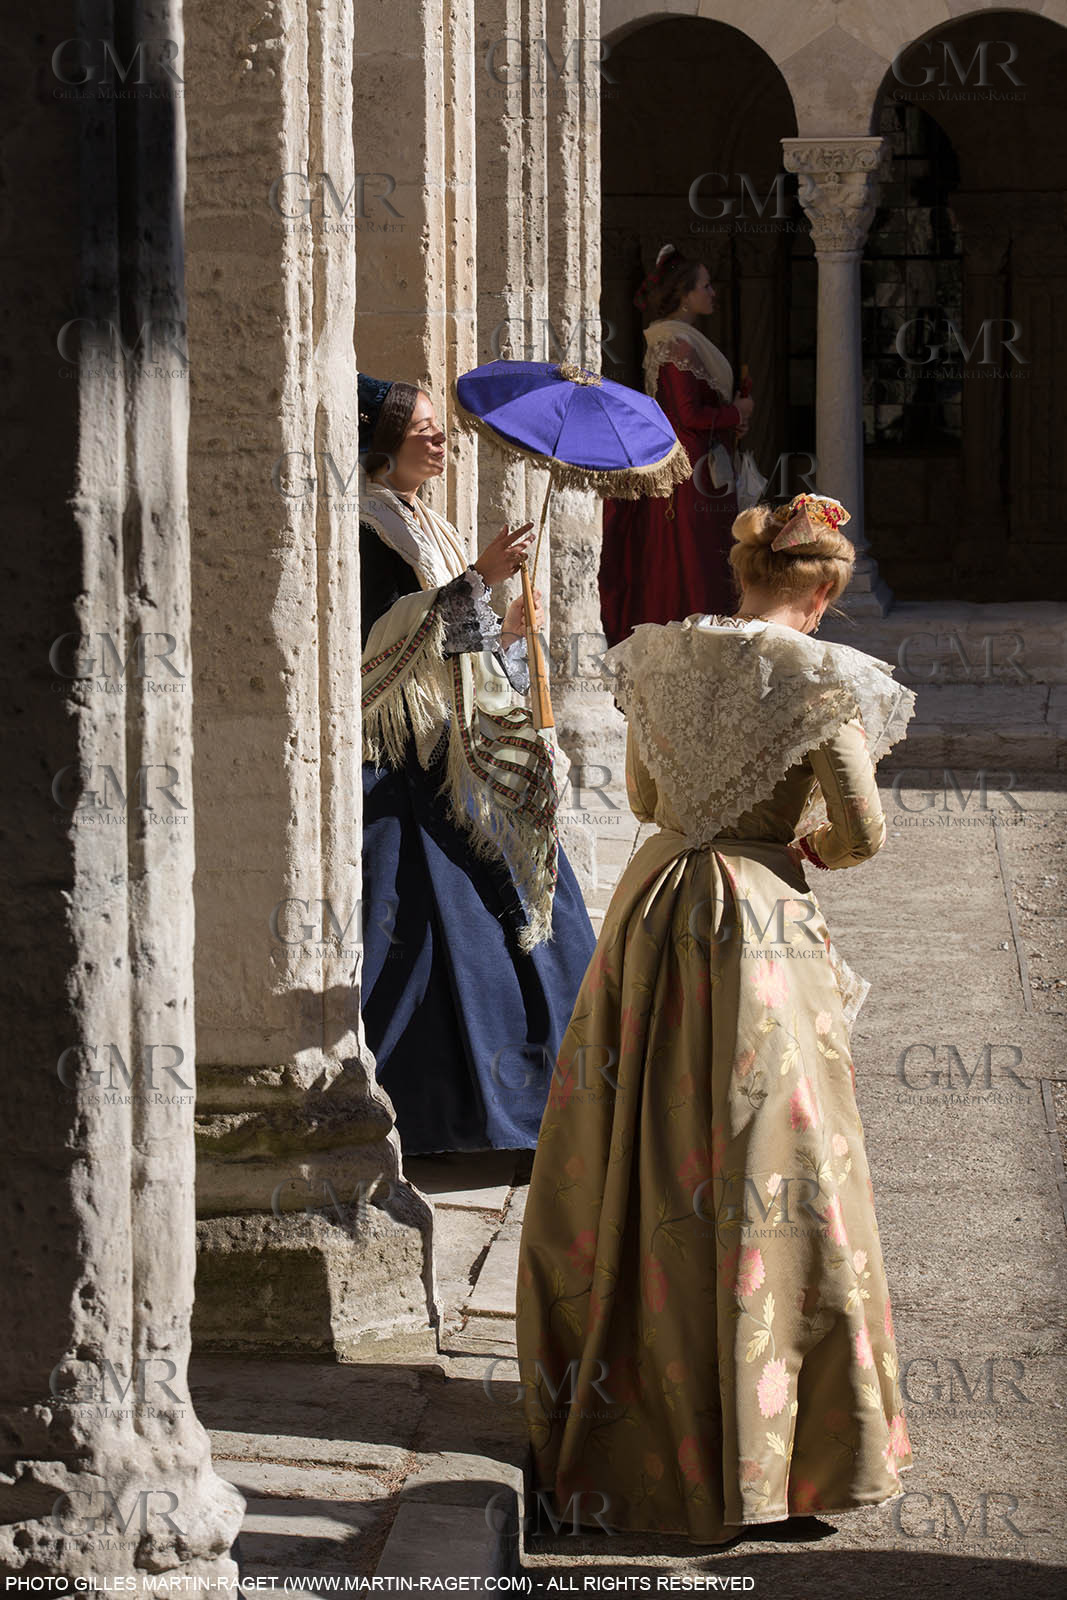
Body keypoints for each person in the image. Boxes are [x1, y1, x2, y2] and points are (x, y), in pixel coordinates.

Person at [517, 493, 916, 1542]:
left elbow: (647, 797)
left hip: (653, 909)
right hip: (755, 928)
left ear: (742, 571)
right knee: (768, 1165)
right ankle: (769, 1444)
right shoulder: (822, 680)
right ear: (821, 589)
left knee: (640, 1146)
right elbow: (862, 831)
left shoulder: (660, 659)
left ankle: (631, 1398)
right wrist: (809, 847)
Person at [357, 373, 596, 1155]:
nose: (438, 439)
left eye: (437, 426)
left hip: (466, 747)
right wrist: (482, 581)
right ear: (380, 444)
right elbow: (376, 648)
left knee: (534, 901)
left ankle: (556, 1097)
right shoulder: (366, 529)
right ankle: (453, 1116)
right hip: (413, 760)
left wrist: (504, 627)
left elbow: (455, 640)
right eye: (420, 429)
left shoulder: (428, 521)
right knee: (434, 929)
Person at [598, 244, 755, 648]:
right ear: (685, 295)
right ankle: (696, 642)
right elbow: (685, 416)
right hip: (688, 469)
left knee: (701, 552)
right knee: (695, 556)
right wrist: (735, 414)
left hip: (694, 460)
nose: (712, 293)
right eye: (705, 286)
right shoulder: (677, 345)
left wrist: (727, 423)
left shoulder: (679, 341)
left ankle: (703, 639)